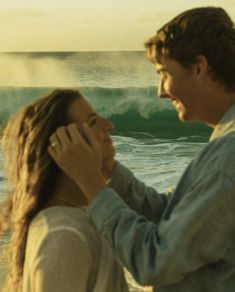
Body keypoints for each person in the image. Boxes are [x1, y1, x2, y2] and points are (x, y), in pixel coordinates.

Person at [48, 7, 235, 292]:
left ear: (199, 67)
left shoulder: (228, 156)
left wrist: (91, 184)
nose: (160, 91)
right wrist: (108, 171)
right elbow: (171, 216)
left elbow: (155, 262)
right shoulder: (224, 141)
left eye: (164, 73)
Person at [0, 89, 130, 292]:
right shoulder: (63, 235)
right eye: (93, 122)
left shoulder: (74, 219)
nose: (109, 125)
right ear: (64, 144)